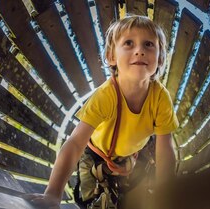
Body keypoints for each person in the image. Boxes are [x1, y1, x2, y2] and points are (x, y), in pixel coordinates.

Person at [23, 14, 179, 209]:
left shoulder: (160, 97)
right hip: (95, 154)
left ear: (160, 58)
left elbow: (165, 148)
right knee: (92, 201)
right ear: (111, 57)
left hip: (131, 155)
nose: (139, 50)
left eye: (148, 44)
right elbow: (74, 143)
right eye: (129, 43)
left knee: (131, 201)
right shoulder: (106, 96)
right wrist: (53, 194)